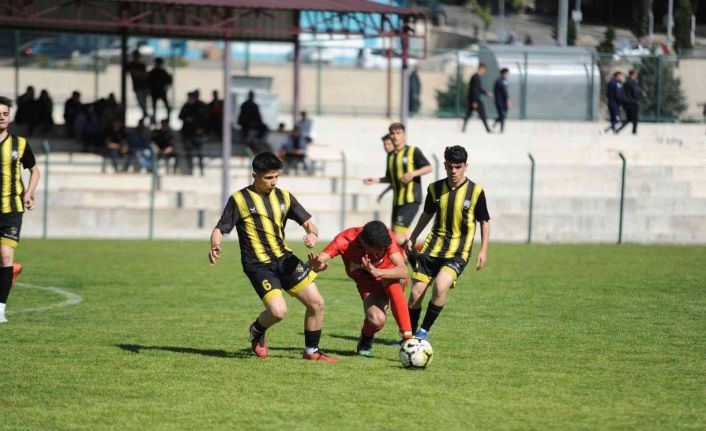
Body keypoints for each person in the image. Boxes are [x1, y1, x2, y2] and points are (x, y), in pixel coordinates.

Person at [208, 152, 336, 362]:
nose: (273, 182)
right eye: (268, 178)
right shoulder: (239, 199)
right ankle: (257, 330)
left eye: (276, 176)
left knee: (317, 303)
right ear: (254, 175)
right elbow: (220, 229)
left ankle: (312, 352)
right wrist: (215, 245)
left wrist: (312, 234)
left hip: (284, 259)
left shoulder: (284, 196)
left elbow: (308, 222)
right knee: (278, 312)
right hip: (258, 265)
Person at [404, 145, 490, 340]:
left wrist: (483, 250)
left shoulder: (476, 191)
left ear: (466, 166)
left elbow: (484, 221)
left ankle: (423, 332)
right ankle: (408, 337)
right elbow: (427, 214)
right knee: (416, 294)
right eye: (450, 166)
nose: (453, 171)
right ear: (444, 165)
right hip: (432, 248)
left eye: (458, 167)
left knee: (440, 286)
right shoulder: (435, 188)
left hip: (458, 251)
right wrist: (413, 236)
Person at [307, 221, 412, 357]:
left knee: (392, 282)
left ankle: (408, 338)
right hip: (368, 285)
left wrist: (378, 272)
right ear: (364, 244)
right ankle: (365, 339)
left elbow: (403, 271)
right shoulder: (344, 240)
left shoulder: (384, 236)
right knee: (376, 320)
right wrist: (317, 265)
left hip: (390, 276)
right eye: (378, 250)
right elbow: (320, 259)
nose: (381, 252)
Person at [0, 96, 41, 324]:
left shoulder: (20, 144)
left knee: (5, 255)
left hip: (11, 209)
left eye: (5, 113)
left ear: (10, 116)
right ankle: (10, 274)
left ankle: (0, 309)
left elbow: (35, 171)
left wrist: (28, 193)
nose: (1, 117)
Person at [363, 123, 432, 248]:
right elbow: (391, 178)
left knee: (396, 237)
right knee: (401, 236)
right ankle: (408, 263)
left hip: (410, 199)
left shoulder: (412, 151)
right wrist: (376, 180)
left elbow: (429, 167)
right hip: (397, 201)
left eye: (398, 133)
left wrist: (413, 173)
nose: (395, 136)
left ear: (404, 135)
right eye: (392, 133)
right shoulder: (391, 156)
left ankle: (420, 259)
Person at [178, 91, 208, 176]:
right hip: (187, 134)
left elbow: (204, 119)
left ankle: (201, 170)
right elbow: (180, 116)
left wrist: (201, 128)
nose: (189, 100)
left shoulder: (200, 106)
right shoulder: (186, 106)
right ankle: (190, 170)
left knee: (199, 153)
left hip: (197, 134)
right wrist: (187, 118)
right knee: (189, 153)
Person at [462, 63, 493, 133]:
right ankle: (488, 129)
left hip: (473, 99)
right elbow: (474, 90)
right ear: (481, 69)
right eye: (484, 70)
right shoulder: (476, 77)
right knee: (482, 114)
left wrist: (486, 93)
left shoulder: (476, 76)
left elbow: (478, 89)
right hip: (475, 99)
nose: (484, 72)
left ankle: (463, 129)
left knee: (469, 114)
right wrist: (474, 101)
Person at [126, 50, 150, 122]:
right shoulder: (131, 65)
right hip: (138, 87)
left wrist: (137, 74)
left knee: (143, 103)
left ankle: (146, 115)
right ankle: (146, 115)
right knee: (141, 103)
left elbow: (145, 75)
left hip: (143, 87)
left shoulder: (141, 65)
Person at [149, 57, 172, 123]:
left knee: (167, 106)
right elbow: (148, 82)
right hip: (154, 92)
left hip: (162, 92)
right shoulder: (152, 72)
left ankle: (168, 120)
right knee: (154, 107)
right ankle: (154, 120)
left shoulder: (163, 72)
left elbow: (169, 81)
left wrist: (166, 88)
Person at [617, 69, 639, 135]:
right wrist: (637, 99)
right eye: (636, 74)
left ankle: (618, 129)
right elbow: (635, 92)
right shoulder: (633, 82)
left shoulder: (626, 82)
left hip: (626, 103)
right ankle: (634, 132)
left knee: (629, 119)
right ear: (633, 74)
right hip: (633, 102)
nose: (637, 75)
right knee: (635, 119)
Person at [492, 68, 511, 133]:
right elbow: (504, 91)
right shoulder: (499, 81)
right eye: (507, 73)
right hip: (499, 101)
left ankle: (496, 122)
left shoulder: (505, 81)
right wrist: (508, 100)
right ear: (504, 73)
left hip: (503, 101)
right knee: (502, 114)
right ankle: (502, 129)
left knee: (503, 115)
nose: (508, 75)